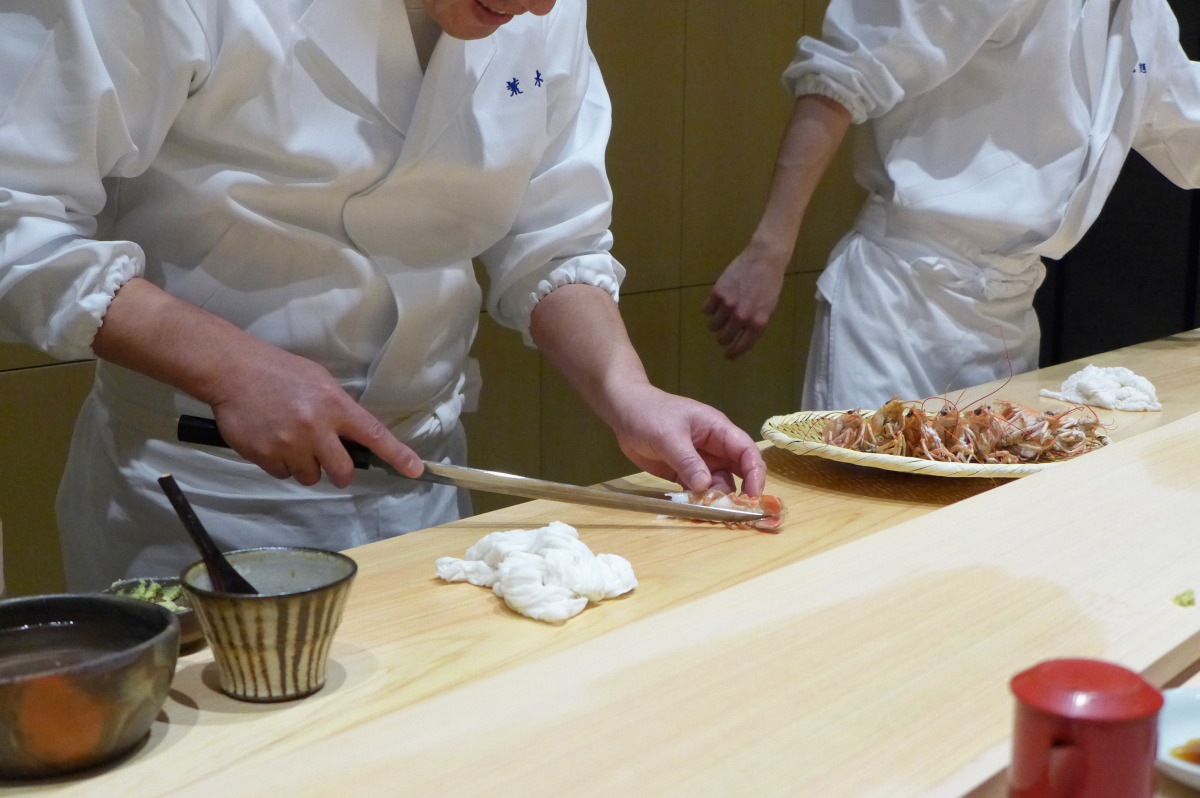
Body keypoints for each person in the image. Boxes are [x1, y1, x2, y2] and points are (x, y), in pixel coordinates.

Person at [0, 0, 766, 591]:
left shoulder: (540, 8)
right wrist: (230, 367)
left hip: (423, 488)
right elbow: (16, 212)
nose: (539, 6)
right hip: (201, 495)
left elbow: (552, 236)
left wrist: (627, 392)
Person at [702, 0, 1200, 411]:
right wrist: (768, 248)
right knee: (872, 509)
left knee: (981, 519)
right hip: (903, 299)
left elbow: (1185, 122)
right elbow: (843, 74)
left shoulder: (1145, 16)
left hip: (1010, 309)